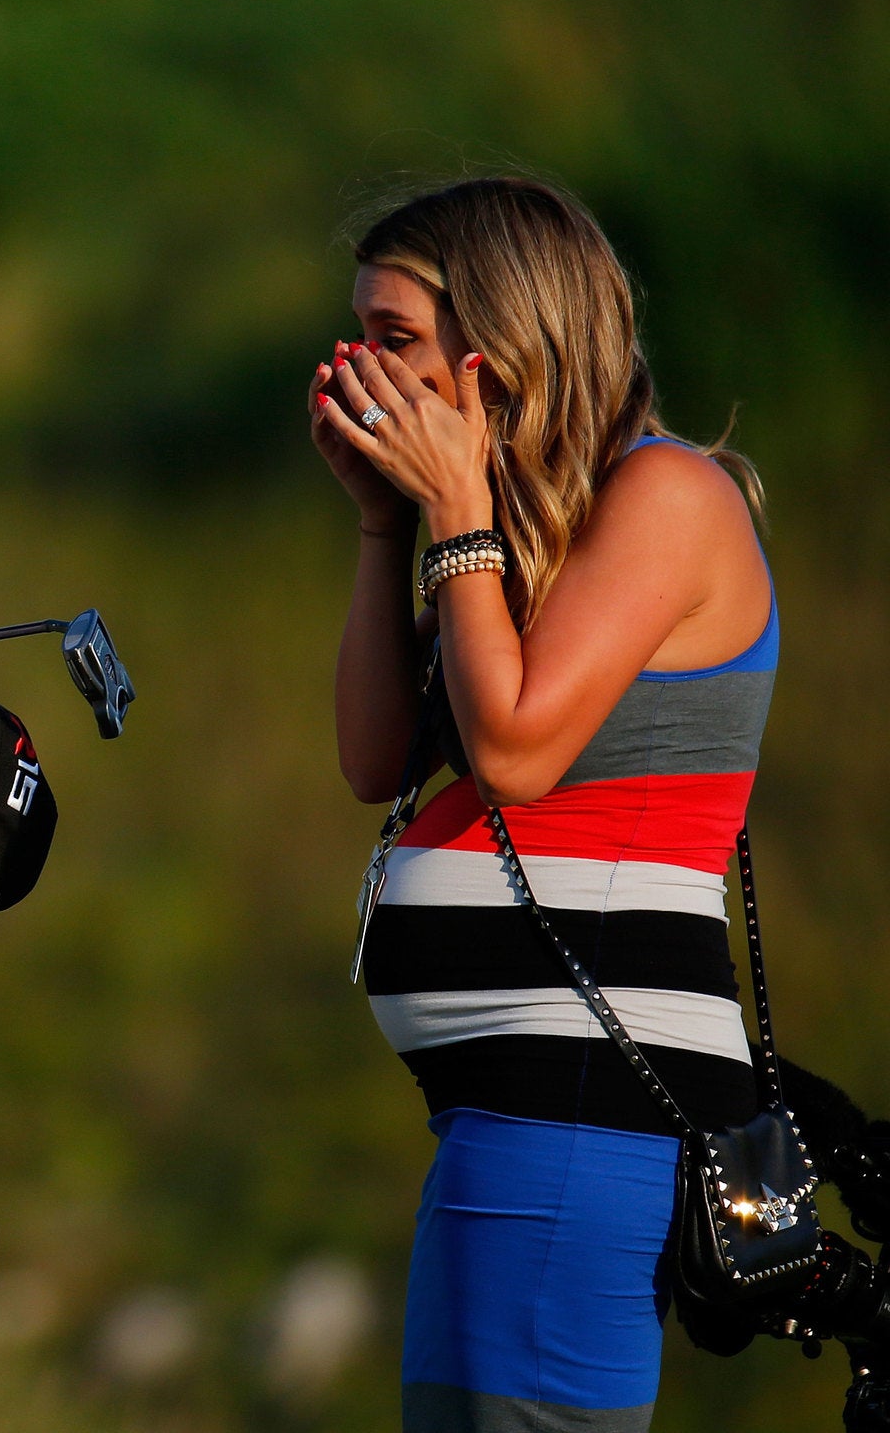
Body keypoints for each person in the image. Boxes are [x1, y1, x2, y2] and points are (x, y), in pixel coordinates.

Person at [309, 176, 774, 1432]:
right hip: (506, 1108)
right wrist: (381, 530)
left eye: (393, 338)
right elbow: (374, 758)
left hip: (577, 1103)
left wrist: (457, 513)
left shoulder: (667, 498)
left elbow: (512, 755)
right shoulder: (525, 545)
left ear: (500, 340)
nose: (357, 369)